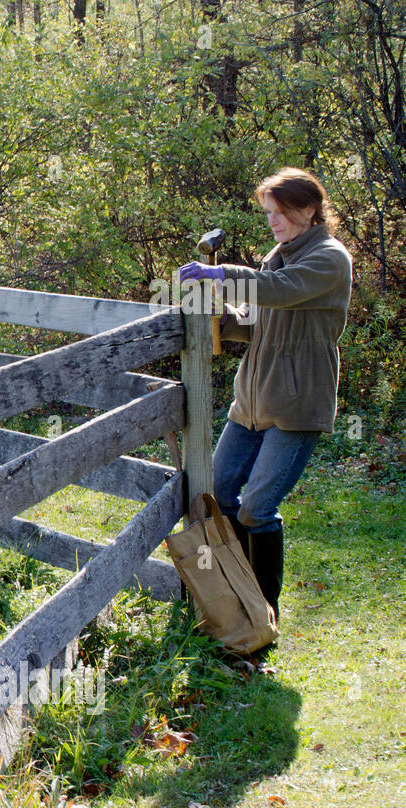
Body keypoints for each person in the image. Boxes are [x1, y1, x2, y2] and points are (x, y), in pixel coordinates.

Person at [178, 167, 354, 629]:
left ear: (310, 209)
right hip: (251, 403)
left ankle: (264, 611)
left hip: (296, 407)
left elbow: (281, 291)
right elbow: (259, 319)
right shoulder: (279, 254)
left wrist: (225, 272)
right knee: (219, 493)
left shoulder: (330, 260)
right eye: (269, 213)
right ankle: (240, 602)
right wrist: (224, 314)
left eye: (280, 212)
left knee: (257, 507)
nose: (272, 221)